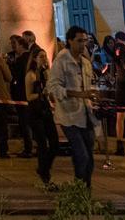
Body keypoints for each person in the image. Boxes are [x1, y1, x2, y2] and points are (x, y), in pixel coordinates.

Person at [48, 26, 99, 188]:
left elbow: (88, 84)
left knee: (89, 156)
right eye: (79, 41)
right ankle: (79, 187)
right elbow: (53, 87)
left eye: (85, 41)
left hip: (86, 113)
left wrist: (92, 94)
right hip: (69, 115)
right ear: (70, 41)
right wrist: (77, 94)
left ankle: (85, 187)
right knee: (81, 154)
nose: (83, 44)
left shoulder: (85, 62)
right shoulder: (61, 61)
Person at [24, 46, 59, 187]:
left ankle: (44, 168)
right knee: (42, 145)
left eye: (45, 56)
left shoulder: (45, 74)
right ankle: (44, 174)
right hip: (35, 111)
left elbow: (50, 92)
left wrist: (53, 99)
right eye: (41, 57)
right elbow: (28, 96)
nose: (44, 59)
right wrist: (41, 94)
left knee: (55, 143)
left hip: (45, 110)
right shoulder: (31, 75)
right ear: (34, 59)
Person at [8, 34, 34, 158]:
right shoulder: (32, 57)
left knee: (24, 123)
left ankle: (28, 149)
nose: (14, 47)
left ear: (21, 45)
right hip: (31, 95)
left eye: (16, 45)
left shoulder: (21, 59)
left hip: (22, 94)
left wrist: (10, 65)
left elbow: (15, 76)